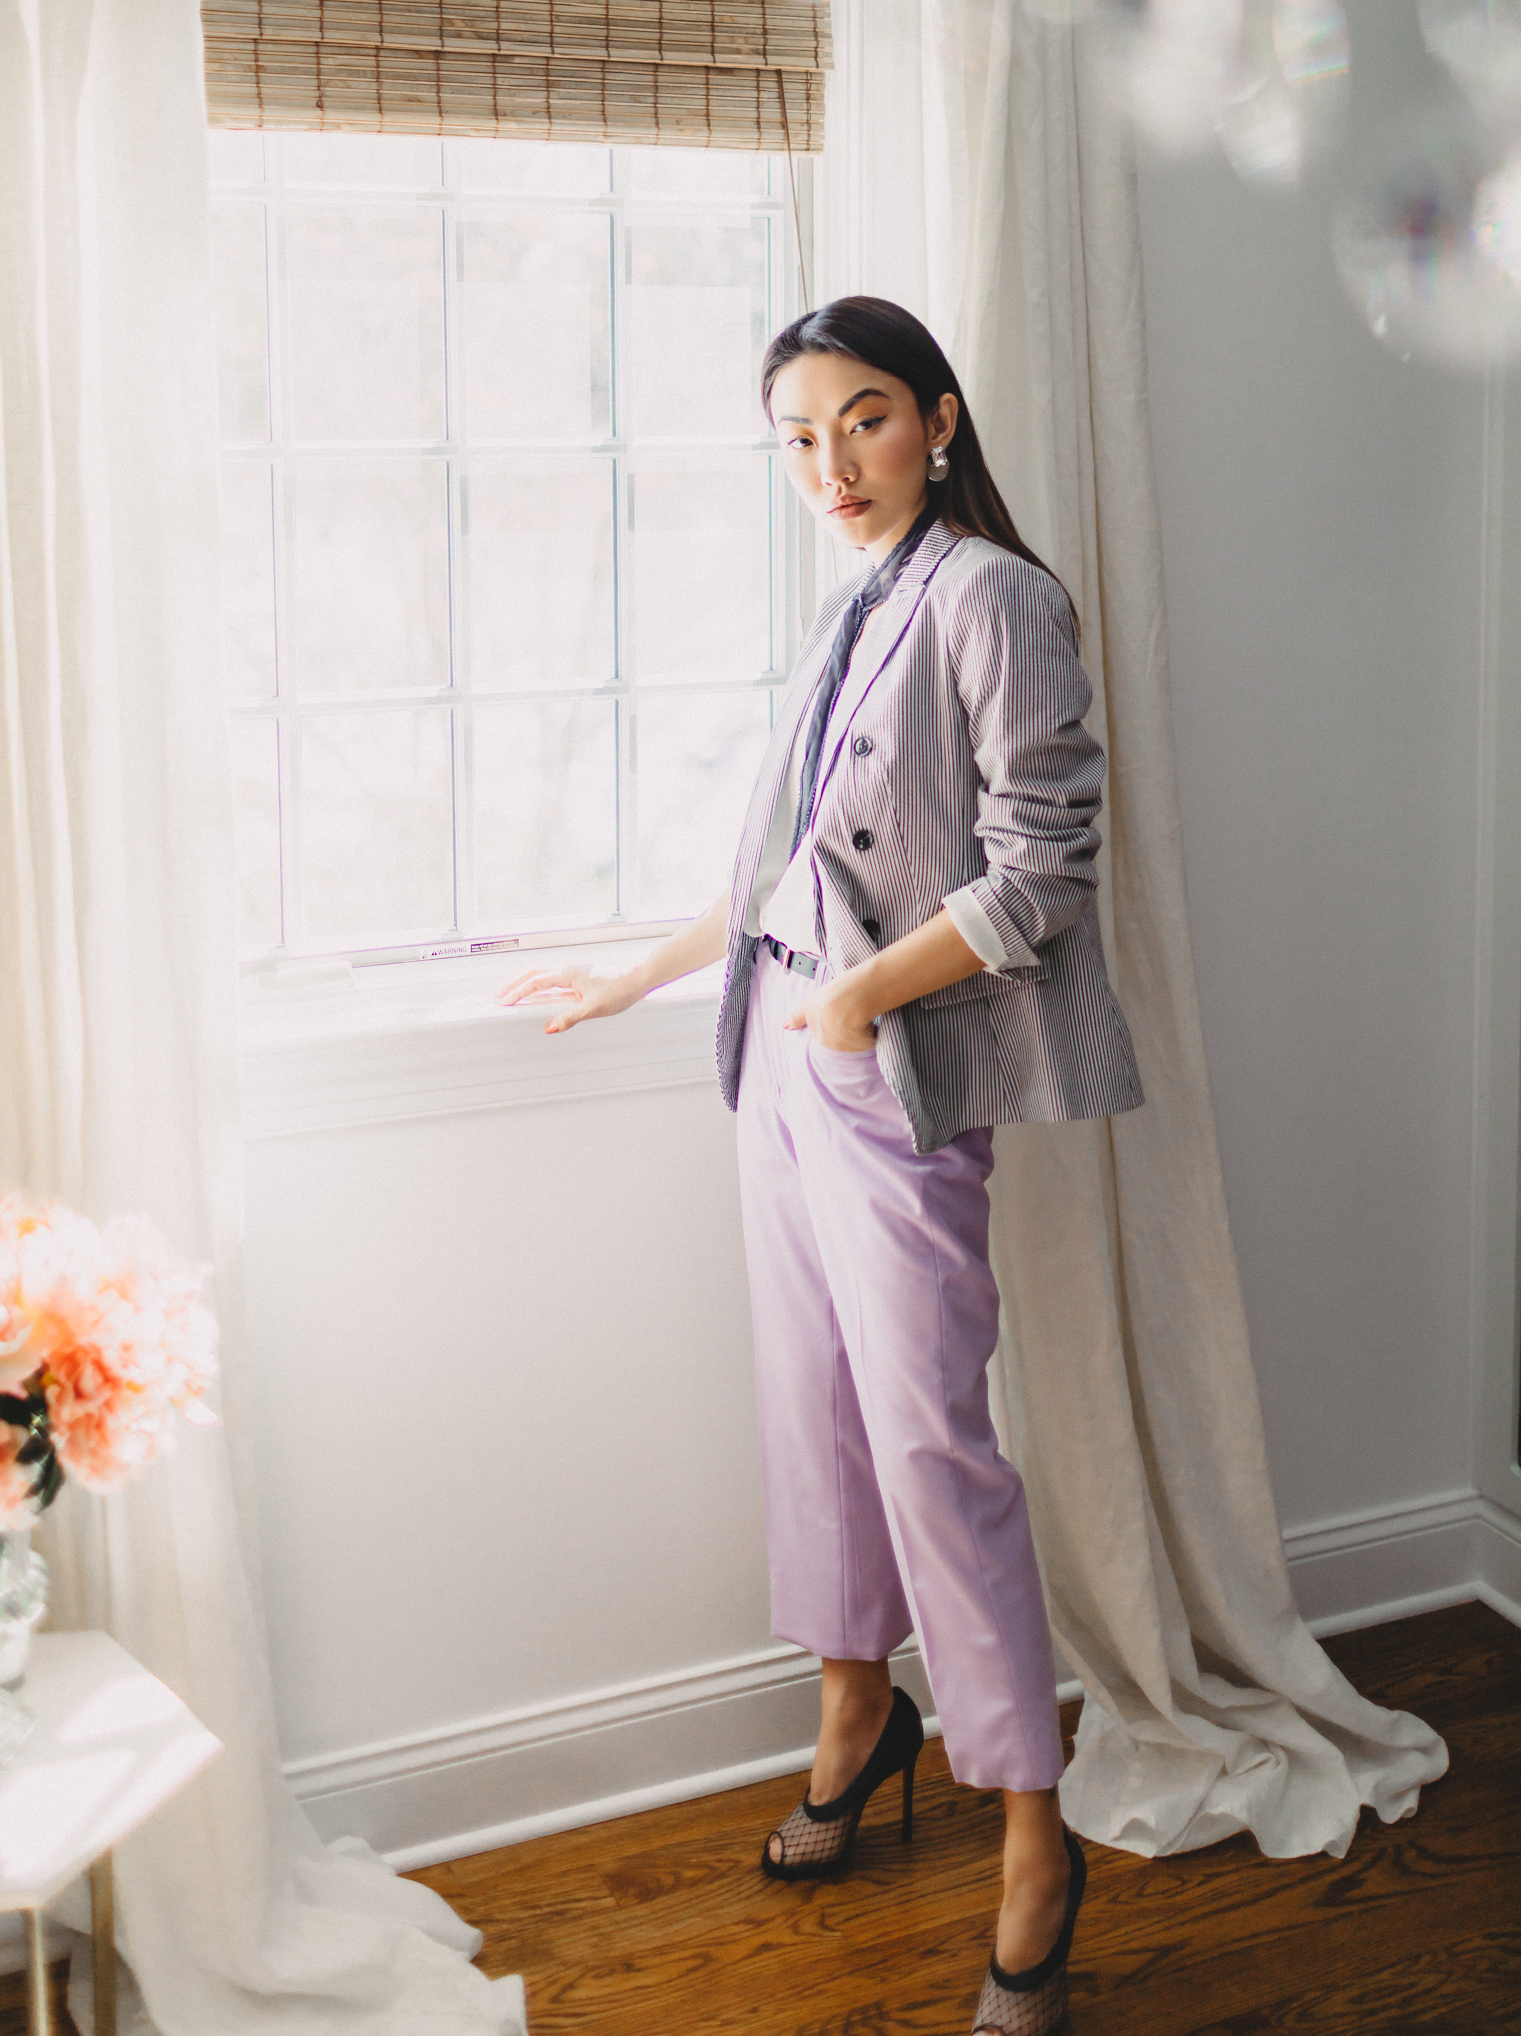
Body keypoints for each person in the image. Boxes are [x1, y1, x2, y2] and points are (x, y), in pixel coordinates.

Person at [500, 295, 1142, 2034]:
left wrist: (858, 996)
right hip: (784, 1058)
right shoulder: (857, 602)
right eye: (797, 434)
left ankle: (1034, 1827)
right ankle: (860, 1711)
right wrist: (646, 967)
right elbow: (790, 860)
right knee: (817, 1410)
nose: (829, 463)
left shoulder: (996, 599)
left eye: (860, 420)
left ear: (935, 418)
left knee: (937, 1442)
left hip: (884, 1071)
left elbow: (1043, 874)